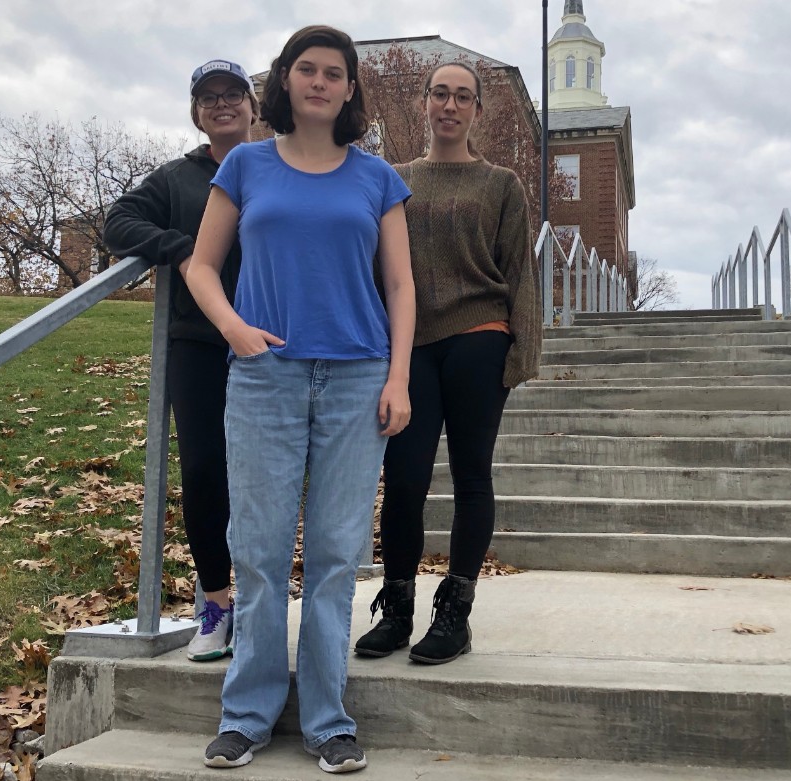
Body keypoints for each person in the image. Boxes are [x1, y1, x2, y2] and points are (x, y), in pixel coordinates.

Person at [183, 25, 414, 775]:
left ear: (350, 90)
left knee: (337, 554)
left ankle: (327, 720)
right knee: (257, 550)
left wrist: (398, 376)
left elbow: (402, 285)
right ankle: (244, 715)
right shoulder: (247, 165)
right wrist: (233, 328)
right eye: (305, 69)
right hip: (266, 377)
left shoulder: (377, 177)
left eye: (334, 73)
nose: (318, 82)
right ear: (284, 82)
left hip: (356, 378)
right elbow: (201, 265)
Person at [354, 60, 540, 665]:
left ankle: (455, 612)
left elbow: (519, 275)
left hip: (480, 338)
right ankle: (399, 607)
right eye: (440, 94)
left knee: (470, 475)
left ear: (478, 110)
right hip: (410, 344)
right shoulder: (393, 180)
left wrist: (520, 356)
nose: (451, 105)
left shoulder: (501, 184)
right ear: (424, 105)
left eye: (463, 97)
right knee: (403, 477)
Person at [103, 58, 258, 663]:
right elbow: (119, 223)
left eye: (233, 95)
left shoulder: (277, 166)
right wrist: (186, 250)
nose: (222, 105)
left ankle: (264, 602)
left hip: (275, 340)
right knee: (203, 469)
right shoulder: (176, 178)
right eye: (209, 98)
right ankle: (216, 603)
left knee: (268, 474)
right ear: (196, 112)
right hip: (198, 341)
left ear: (252, 106)